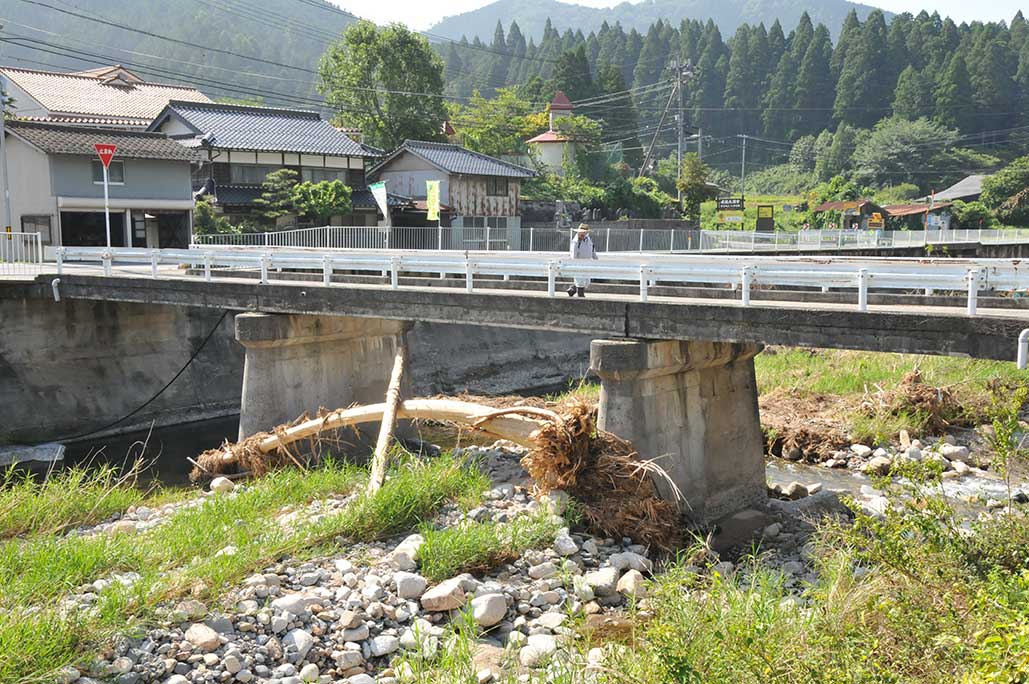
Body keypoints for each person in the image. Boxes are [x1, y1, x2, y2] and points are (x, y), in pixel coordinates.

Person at [567, 223, 598, 297]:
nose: (582, 234)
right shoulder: (576, 242)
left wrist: (596, 259)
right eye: (581, 232)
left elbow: (592, 250)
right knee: (580, 283)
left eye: (584, 232)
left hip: (587, 264)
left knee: (586, 282)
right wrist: (574, 264)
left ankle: (572, 289)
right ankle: (581, 298)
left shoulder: (588, 239)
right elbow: (573, 255)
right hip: (578, 264)